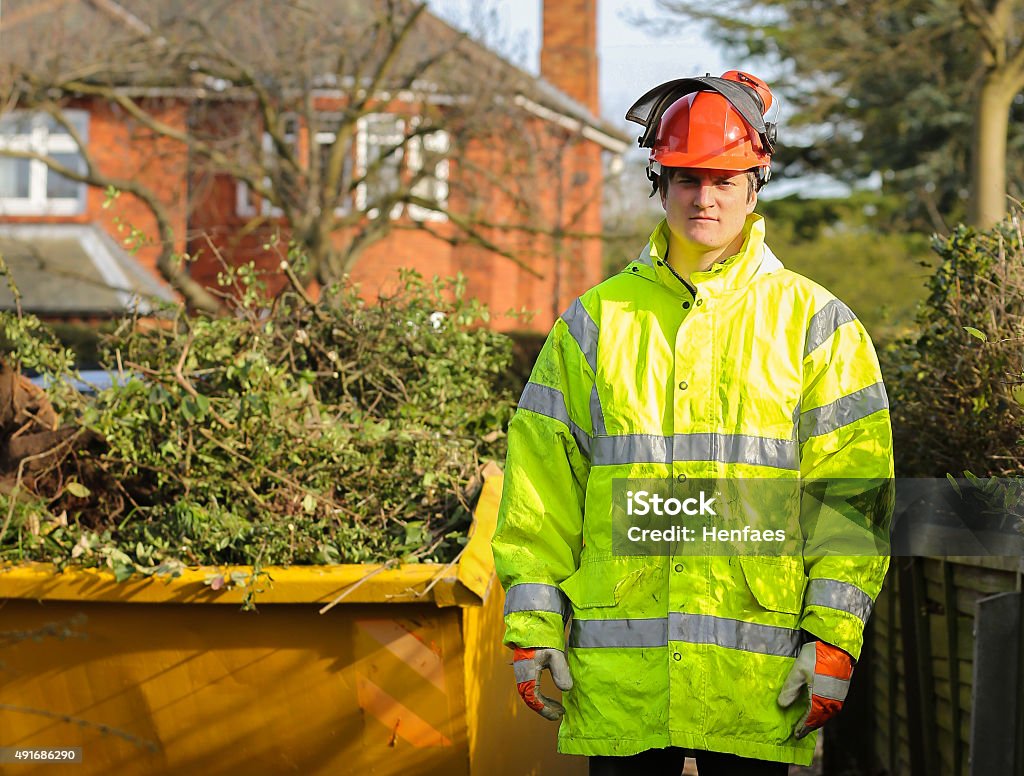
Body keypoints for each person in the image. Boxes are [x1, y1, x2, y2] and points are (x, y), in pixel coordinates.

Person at [490, 70, 894, 775]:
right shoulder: (594, 325)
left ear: (754, 184)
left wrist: (834, 635)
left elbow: (851, 494)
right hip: (622, 679)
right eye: (685, 179)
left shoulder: (816, 328)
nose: (703, 198)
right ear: (660, 181)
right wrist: (530, 627)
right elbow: (541, 489)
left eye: (724, 180)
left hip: (754, 677)